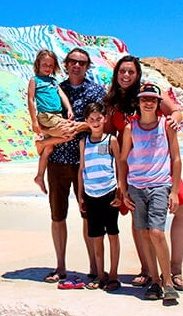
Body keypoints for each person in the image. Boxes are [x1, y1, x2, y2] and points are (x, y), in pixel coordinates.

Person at [103, 55, 183, 292]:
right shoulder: (111, 102)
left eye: (131, 72)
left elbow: (176, 112)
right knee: (137, 217)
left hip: (157, 160)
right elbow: (110, 133)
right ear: (116, 74)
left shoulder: (147, 95)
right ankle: (147, 269)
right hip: (132, 163)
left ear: (137, 74)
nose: (126, 76)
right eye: (122, 71)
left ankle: (175, 269)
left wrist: (173, 119)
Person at [43, 47, 106, 283]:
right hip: (58, 160)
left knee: (88, 215)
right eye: (73, 61)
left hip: (86, 162)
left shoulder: (97, 91)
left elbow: (102, 124)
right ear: (66, 64)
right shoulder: (54, 89)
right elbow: (42, 120)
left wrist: (80, 127)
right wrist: (55, 132)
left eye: (82, 62)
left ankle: (93, 267)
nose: (77, 66)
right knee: (57, 215)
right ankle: (60, 267)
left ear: (88, 66)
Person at [119, 83, 182, 303]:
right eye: (144, 99)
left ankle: (168, 281)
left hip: (159, 185)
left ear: (158, 103)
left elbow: (175, 158)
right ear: (138, 102)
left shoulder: (166, 126)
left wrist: (174, 191)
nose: (148, 103)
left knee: (156, 232)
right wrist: (123, 188)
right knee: (144, 232)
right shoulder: (130, 128)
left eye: (153, 100)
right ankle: (154, 280)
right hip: (136, 186)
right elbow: (123, 159)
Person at [77, 102, 122, 291]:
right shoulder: (83, 142)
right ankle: (100, 274)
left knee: (112, 234)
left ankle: (113, 274)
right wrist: (80, 195)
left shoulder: (111, 140)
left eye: (98, 119)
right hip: (90, 194)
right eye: (91, 119)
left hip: (110, 192)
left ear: (105, 119)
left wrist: (121, 189)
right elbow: (82, 169)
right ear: (86, 121)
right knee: (96, 236)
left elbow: (119, 165)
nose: (95, 122)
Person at [27, 49, 74, 194]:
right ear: (38, 64)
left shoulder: (53, 81)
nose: (47, 68)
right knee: (68, 133)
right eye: (44, 65)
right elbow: (30, 100)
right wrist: (34, 121)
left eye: (50, 65)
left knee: (49, 149)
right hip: (46, 116)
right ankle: (41, 141)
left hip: (58, 115)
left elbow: (62, 95)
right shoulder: (35, 80)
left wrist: (69, 108)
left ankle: (39, 176)